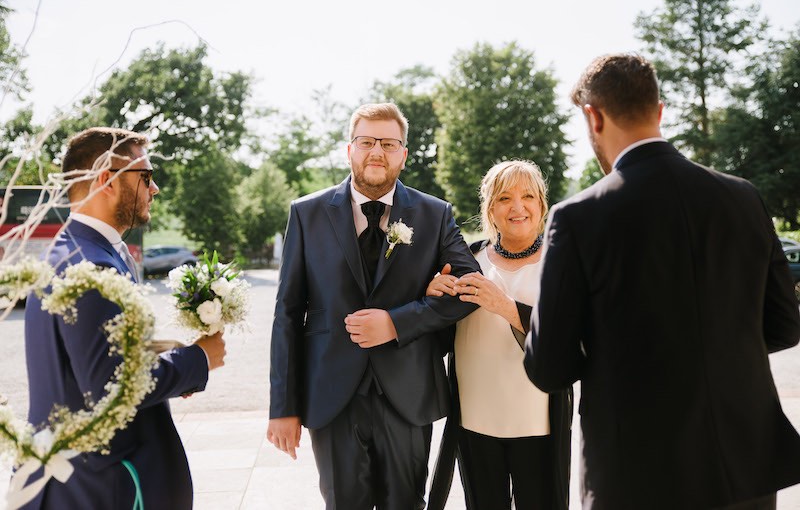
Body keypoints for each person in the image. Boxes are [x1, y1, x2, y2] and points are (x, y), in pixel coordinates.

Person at [524, 54, 800, 510]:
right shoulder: (743, 198)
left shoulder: (577, 218)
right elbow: (785, 327)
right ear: (660, 110)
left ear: (593, 116)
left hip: (637, 473)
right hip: (742, 466)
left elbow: (549, 367)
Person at [267, 103, 479, 509]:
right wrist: (283, 407)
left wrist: (399, 322)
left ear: (404, 154)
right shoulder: (306, 214)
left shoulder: (435, 214)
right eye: (366, 142)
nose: (376, 152)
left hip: (408, 394)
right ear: (349, 150)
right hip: (331, 397)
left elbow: (471, 288)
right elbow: (287, 314)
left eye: (388, 143)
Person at [21, 127, 226, 510]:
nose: (155, 189)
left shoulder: (77, 250)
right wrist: (199, 358)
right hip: (102, 486)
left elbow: (89, 362)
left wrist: (160, 354)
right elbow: (110, 387)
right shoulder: (90, 267)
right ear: (106, 181)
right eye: (145, 176)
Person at [426, 160, 572, 510]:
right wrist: (431, 299)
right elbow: (439, 341)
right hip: (475, 423)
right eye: (505, 198)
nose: (518, 207)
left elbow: (571, 340)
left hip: (539, 426)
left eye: (528, 196)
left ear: (542, 205)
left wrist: (506, 306)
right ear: (490, 208)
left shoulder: (563, 262)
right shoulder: (468, 260)